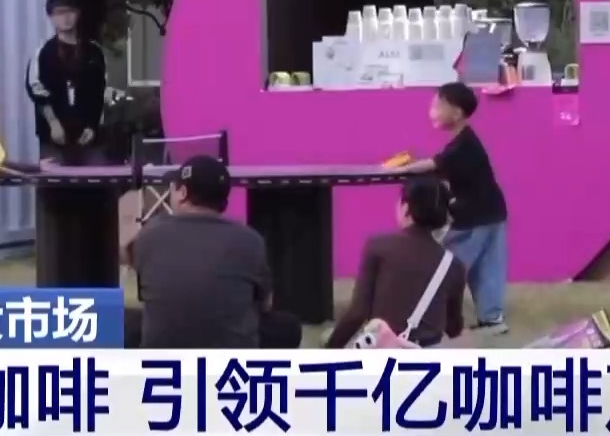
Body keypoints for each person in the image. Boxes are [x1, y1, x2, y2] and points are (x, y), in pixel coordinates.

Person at [124, 155, 302, 349]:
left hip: (163, 351)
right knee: (288, 327)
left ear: (182, 193)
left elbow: (143, 286)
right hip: (230, 353)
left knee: (129, 322)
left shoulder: (149, 234)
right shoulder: (251, 240)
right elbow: (266, 304)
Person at [401, 82, 510, 336]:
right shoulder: (462, 141)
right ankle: (492, 319)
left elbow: (433, 164)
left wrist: (403, 168)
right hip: (491, 212)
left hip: (476, 217)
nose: (432, 111)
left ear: (457, 112)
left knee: (447, 266)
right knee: (486, 268)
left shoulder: (463, 146)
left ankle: (429, 317)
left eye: (438, 106)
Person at [324, 175, 467, 348]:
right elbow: (453, 328)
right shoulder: (453, 265)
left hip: (383, 349)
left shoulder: (378, 246)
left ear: (406, 208)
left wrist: (329, 350)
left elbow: (357, 314)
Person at [26, 0, 109, 165]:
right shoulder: (44, 52)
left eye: (70, 11)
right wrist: (53, 123)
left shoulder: (94, 52)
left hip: (88, 137)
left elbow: (99, 92)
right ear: (51, 17)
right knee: (54, 179)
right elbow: (36, 89)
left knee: (96, 178)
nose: (65, 18)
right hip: (53, 137)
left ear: (78, 13)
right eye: (59, 13)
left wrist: (92, 126)